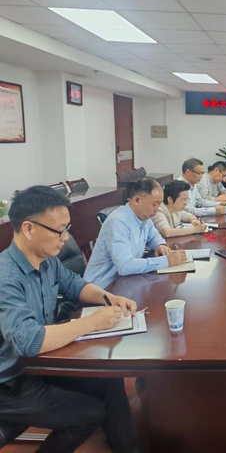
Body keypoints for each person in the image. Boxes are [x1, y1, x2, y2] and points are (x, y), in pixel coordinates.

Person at [0, 186, 138, 453]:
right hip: (9, 382)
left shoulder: (46, 259)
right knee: (89, 414)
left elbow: (75, 285)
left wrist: (109, 298)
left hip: (37, 366)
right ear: (28, 228)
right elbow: (28, 341)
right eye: (59, 230)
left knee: (109, 380)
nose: (65, 237)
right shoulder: (5, 277)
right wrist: (91, 323)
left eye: (67, 228)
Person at [84, 177, 187, 288]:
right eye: (154, 204)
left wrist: (160, 245)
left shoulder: (144, 217)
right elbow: (125, 266)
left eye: (159, 204)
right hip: (101, 287)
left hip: (124, 282)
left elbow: (153, 235)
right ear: (137, 200)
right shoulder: (118, 222)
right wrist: (167, 261)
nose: (157, 209)